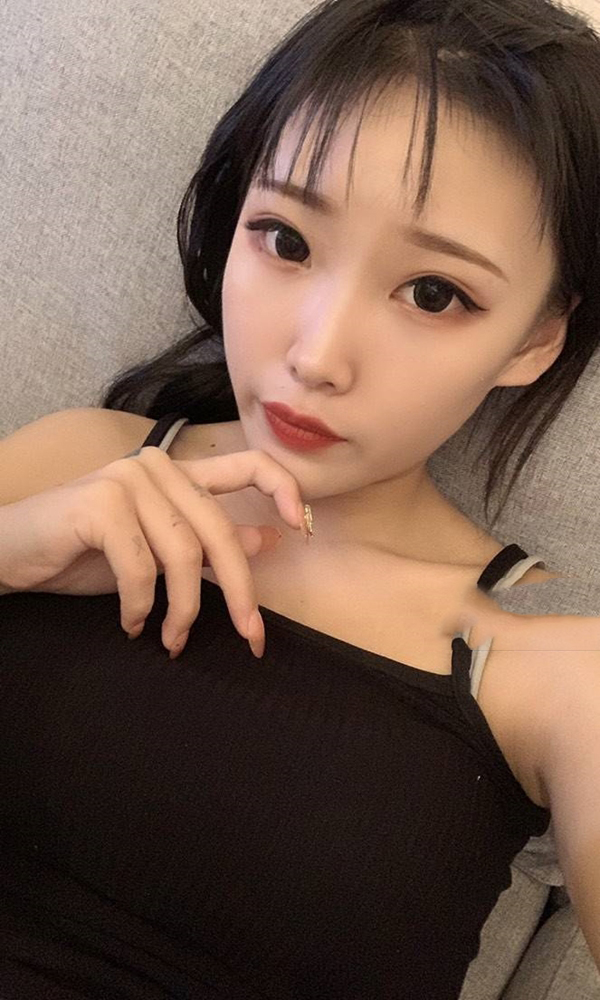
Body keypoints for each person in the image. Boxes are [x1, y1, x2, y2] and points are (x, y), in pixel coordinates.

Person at [0, 0, 599, 996]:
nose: (316, 356)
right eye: (284, 239)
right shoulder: (80, 459)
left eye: (434, 293)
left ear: (535, 339)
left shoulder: (553, 675)